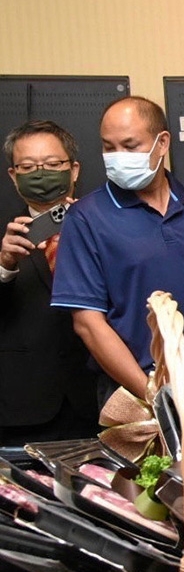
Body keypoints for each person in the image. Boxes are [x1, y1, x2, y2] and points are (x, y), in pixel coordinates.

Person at [52, 96, 184, 401]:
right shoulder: (86, 217)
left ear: (162, 142)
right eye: (109, 147)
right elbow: (88, 323)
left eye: (130, 146)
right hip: (132, 392)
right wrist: (152, 394)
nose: (118, 157)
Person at [1, 121, 98, 445]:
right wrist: (4, 264)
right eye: (28, 167)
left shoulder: (104, 226)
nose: (41, 174)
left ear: (73, 170)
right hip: (22, 406)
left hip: (97, 401)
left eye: (53, 164)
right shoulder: (5, 236)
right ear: (13, 175)